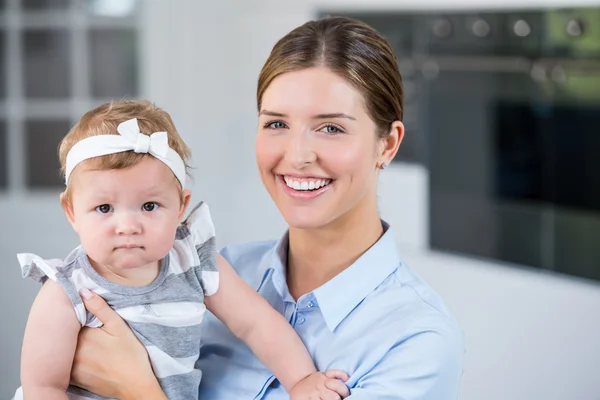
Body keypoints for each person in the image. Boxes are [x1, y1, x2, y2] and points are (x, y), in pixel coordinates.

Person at [67, 16, 465, 400]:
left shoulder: (416, 340)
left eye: (331, 128)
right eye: (276, 124)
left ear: (388, 144)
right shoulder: (206, 274)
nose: (297, 155)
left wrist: (137, 388)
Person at [13, 100, 350, 400]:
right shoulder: (67, 291)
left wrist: (302, 379)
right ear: (72, 212)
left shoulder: (191, 262)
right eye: (104, 208)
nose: (128, 225)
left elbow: (257, 322)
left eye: (148, 206)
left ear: (180, 207)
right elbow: (43, 387)